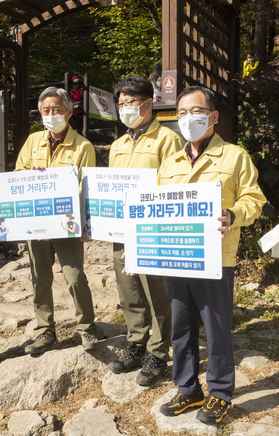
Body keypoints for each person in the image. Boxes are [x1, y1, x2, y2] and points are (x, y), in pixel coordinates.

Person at [157, 86, 266, 424]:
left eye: (196, 111)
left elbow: (255, 200)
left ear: (214, 116)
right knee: (181, 327)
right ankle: (187, 389)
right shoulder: (170, 161)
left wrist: (233, 214)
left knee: (216, 329)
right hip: (176, 256)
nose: (189, 118)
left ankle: (220, 392)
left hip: (216, 258)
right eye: (182, 113)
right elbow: (154, 211)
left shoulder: (235, 157)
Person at [108, 76, 184, 386]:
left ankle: (158, 351)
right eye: (121, 104)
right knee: (129, 291)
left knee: (157, 294)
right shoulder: (117, 144)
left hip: (152, 227)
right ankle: (136, 342)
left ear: (148, 104)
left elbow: (176, 183)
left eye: (131, 103)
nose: (125, 109)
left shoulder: (168, 140)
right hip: (119, 229)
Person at [15, 86, 98, 354]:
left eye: (57, 109)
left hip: (67, 223)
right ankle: (44, 330)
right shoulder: (32, 142)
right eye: (46, 110)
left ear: (70, 112)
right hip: (36, 223)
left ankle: (86, 327)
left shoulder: (83, 146)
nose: (51, 114)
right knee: (39, 277)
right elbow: (18, 177)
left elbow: (88, 187)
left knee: (74, 277)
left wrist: (87, 222)